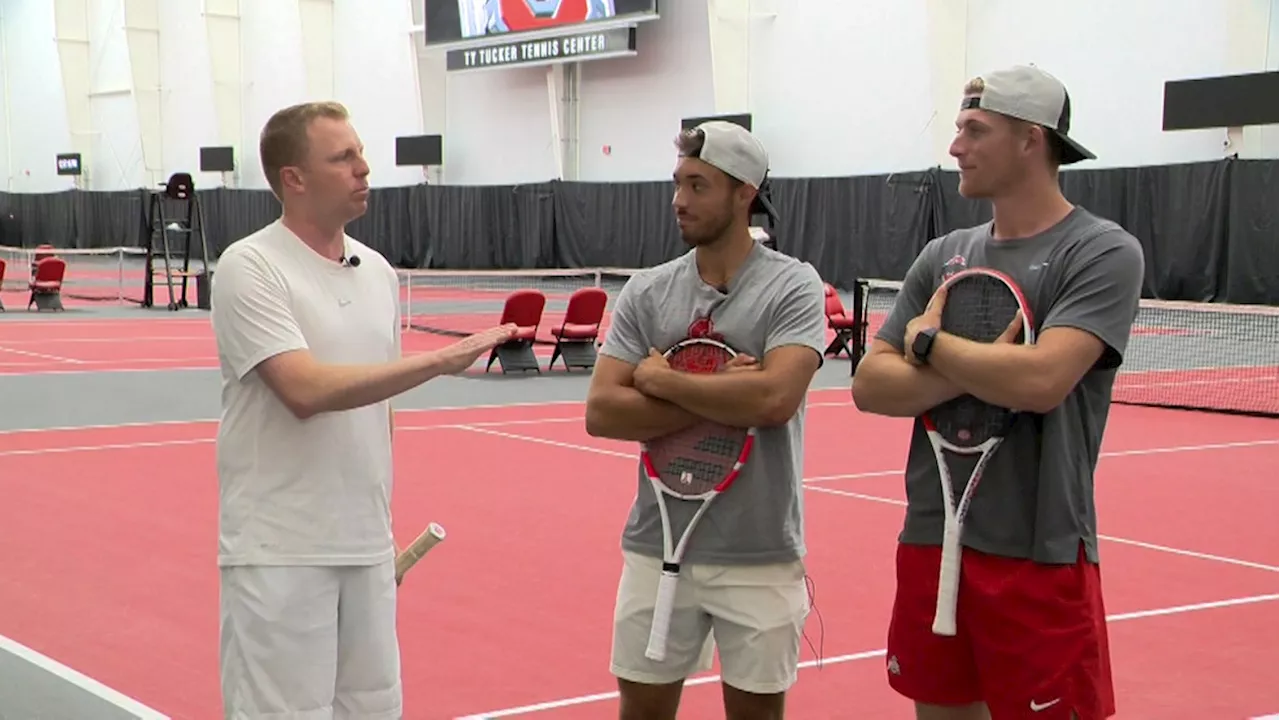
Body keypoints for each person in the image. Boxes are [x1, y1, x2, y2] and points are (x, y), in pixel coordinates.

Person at [851, 65, 1146, 720]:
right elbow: (870, 384)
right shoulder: (944, 254)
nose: (955, 146)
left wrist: (929, 346)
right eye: (959, 129)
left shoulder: (1101, 252)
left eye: (974, 130)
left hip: (1039, 554)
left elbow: (1043, 381)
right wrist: (989, 364)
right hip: (934, 538)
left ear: (1030, 140)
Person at [210, 100, 514, 719]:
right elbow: (305, 391)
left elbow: (380, 409)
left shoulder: (377, 271)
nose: (364, 168)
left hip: (366, 551)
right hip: (281, 552)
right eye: (343, 157)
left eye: (360, 153)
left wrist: (374, 538)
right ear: (293, 178)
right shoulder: (251, 266)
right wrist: (438, 362)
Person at [584, 121, 828, 720]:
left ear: (745, 192)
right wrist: (723, 389)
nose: (679, 200)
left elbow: (774, 401)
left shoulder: (793, 285)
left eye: (698, 185)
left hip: (761, 551)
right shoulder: (648, 292)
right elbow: (602, 411)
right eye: (677, 184)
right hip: (655, 545)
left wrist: (662, 380)